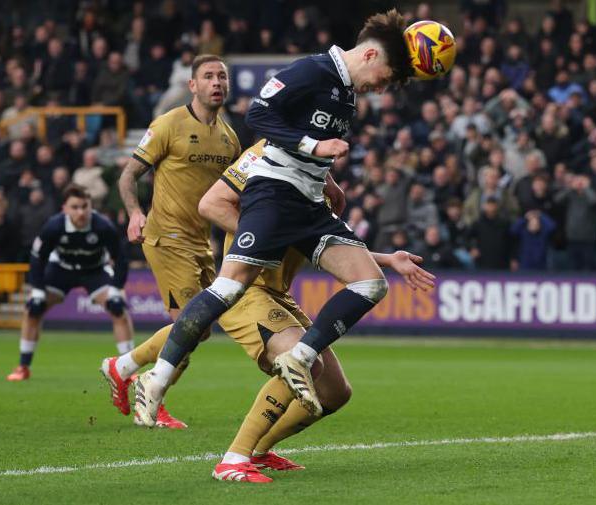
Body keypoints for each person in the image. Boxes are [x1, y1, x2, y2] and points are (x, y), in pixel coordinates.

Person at [132, 10, 415, 427]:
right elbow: (259, 115)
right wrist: (314, 149)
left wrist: (326, 176)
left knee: (371, 282)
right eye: (387, 76)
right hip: (274, 192)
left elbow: (310, 139)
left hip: (307, 203)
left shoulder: (347, 92)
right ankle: (155, 378)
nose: (383, 87)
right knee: (228, 288)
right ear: (371, 54)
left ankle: (300, 357)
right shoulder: (313, 70)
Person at [101, 144, 434, 482]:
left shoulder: (317, 177)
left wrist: (387, 259)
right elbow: (212, 204)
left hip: (279, 295)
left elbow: (325, 243)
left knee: (336, 391)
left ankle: (260, 451)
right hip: (248, 291)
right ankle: (233, 459)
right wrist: (262, 238)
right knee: (303, 362)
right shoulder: (269, 153)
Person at [110, 54, 240, 426]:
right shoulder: (168, 124)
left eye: (222, 76)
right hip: (166, 235)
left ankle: (123, 368)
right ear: (193, 85)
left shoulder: (230, 138)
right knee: (188, 325)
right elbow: (127, 176)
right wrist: (135, 213)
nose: (217, 82)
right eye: (209, 77)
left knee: (200, 331)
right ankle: (150, 396)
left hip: (201, 243)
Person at [6, 184, 131, 381]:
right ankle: (23, 367)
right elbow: (37, 258)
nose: (80, 212)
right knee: (33, 310)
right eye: (75, 207)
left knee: (119, 310)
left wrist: (116, 290)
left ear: (91, 206)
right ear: (64, 208)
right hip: (61, 270)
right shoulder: (53, 226)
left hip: (94, 271)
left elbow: (121, 258)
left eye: (84, 206)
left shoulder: (103, 226)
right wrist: (38, 291)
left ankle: (128, 371)